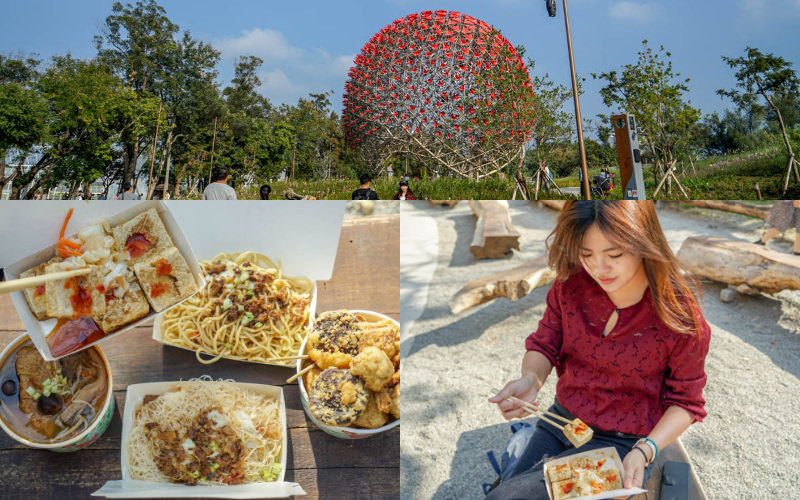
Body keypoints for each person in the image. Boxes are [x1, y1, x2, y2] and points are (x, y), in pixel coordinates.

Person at [486, 201, 711, 499]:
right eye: (586, 254)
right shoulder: (571, 287)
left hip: (626, 444)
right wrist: (531, 379)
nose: (598, 268)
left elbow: (686, 402)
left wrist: (646, 450)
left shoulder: (680, 318)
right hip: (563, 422)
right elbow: (545, 342)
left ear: (644, 242)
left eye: (614, 254)